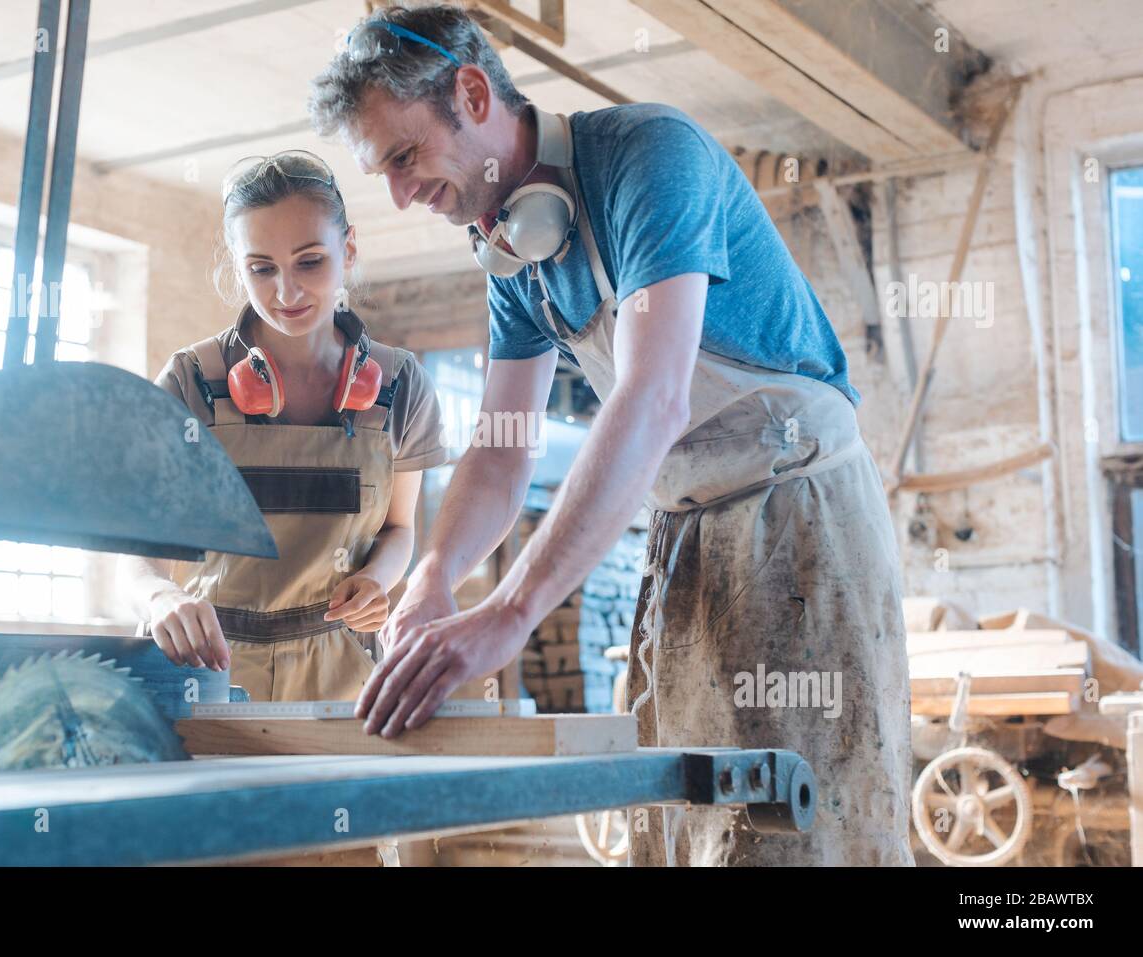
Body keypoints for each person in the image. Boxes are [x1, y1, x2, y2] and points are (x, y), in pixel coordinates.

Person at [306, 4, 913, 866]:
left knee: (806, 824)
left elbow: (654, 395)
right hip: (687, 530)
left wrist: (513, 611)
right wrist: (438, 578)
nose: (402, 194)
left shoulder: (648, 158)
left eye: (404, 158)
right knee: (685, 822)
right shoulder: (512, 250)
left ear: (473, 92)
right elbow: (504, 445)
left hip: (798, 512)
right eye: (384, 174)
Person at [118, 150, 448, 704]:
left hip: (342, 675)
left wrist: (377, 581)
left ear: (349, 250)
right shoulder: (190, 382)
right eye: (261, 268)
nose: (286, 293)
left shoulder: (400, 385)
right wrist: (158, 599)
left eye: (310, 261)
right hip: (207, 669)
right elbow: (140, 551)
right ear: (238, 265)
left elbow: (399, 530)